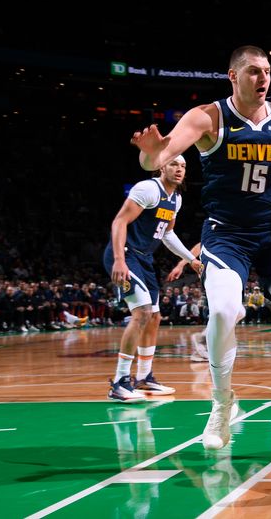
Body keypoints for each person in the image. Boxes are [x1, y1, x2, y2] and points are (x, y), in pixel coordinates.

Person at [130, 45, 271, 449]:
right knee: (222, 311)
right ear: (233, 76)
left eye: (267, 71)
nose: (263, 78)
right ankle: (221, 405)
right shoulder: (208, 117)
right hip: (227, 233)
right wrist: (150, 155)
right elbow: (160, 156)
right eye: (253, 71)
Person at [104, 155, 202, 402]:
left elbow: (167, 235)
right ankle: (119, 381)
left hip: (145, 259)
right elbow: (119, 221)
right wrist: (118, 259)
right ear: (162, 167)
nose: (179, 170)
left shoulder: (176, 199)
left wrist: (190, 259)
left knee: (155, 317)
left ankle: (145, 378)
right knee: (143, 313)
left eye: (182, 166)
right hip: (126, 254)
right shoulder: (148, 189)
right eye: (173, 165)